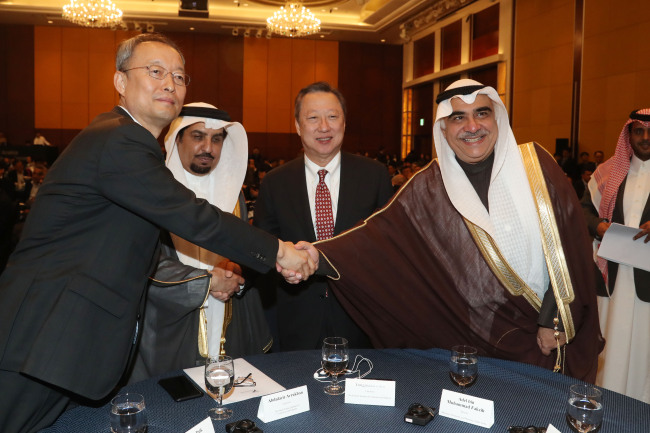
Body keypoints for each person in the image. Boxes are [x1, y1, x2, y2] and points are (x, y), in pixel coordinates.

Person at [0, 33, 315, 433]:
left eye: (180, 77)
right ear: (120, 82)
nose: (170, 83)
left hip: (61, 339)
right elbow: (193, 216)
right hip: (43, 335)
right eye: (156, 72)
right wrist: (280, 253)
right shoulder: (119, 138)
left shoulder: (125, 140)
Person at [307, 79, 604, 381]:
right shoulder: (427, 187)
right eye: (458, 117)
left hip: (546, 341)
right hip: (473, 344)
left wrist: (554, 321)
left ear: (497, 118)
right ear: (443, 129)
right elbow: (376, 242)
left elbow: (571, 244)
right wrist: (314, 257)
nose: (472, 126)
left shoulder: (536, 166)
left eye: (482, 113)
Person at [128, 102, 272, 383]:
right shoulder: (150, 194)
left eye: (216, 139)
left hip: (234, 327)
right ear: (177, 138)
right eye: (198, 136)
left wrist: (238, 273)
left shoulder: (235, 196)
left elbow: (251, 252)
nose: (208, 147)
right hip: (169, 334)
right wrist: (205, 282)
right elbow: (140, 264)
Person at [254, 81, 393, 351]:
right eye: (313, 118)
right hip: (296, 318)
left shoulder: (374, 176)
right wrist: (284, 270)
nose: (324, 127)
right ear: (297, 126)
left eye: (332, 116)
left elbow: (387, 248)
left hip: (360, 319)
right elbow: (264, 247)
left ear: (344, 122)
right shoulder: (275, 182)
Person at [582, 108, 650, 403]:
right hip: (612, 278)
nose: (646, 138)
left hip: (647, 281)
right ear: (629, 134)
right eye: (639, 131)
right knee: (611, 344)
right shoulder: (608, 172)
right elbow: (583, 210)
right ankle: (606, 405)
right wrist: (599, 225)